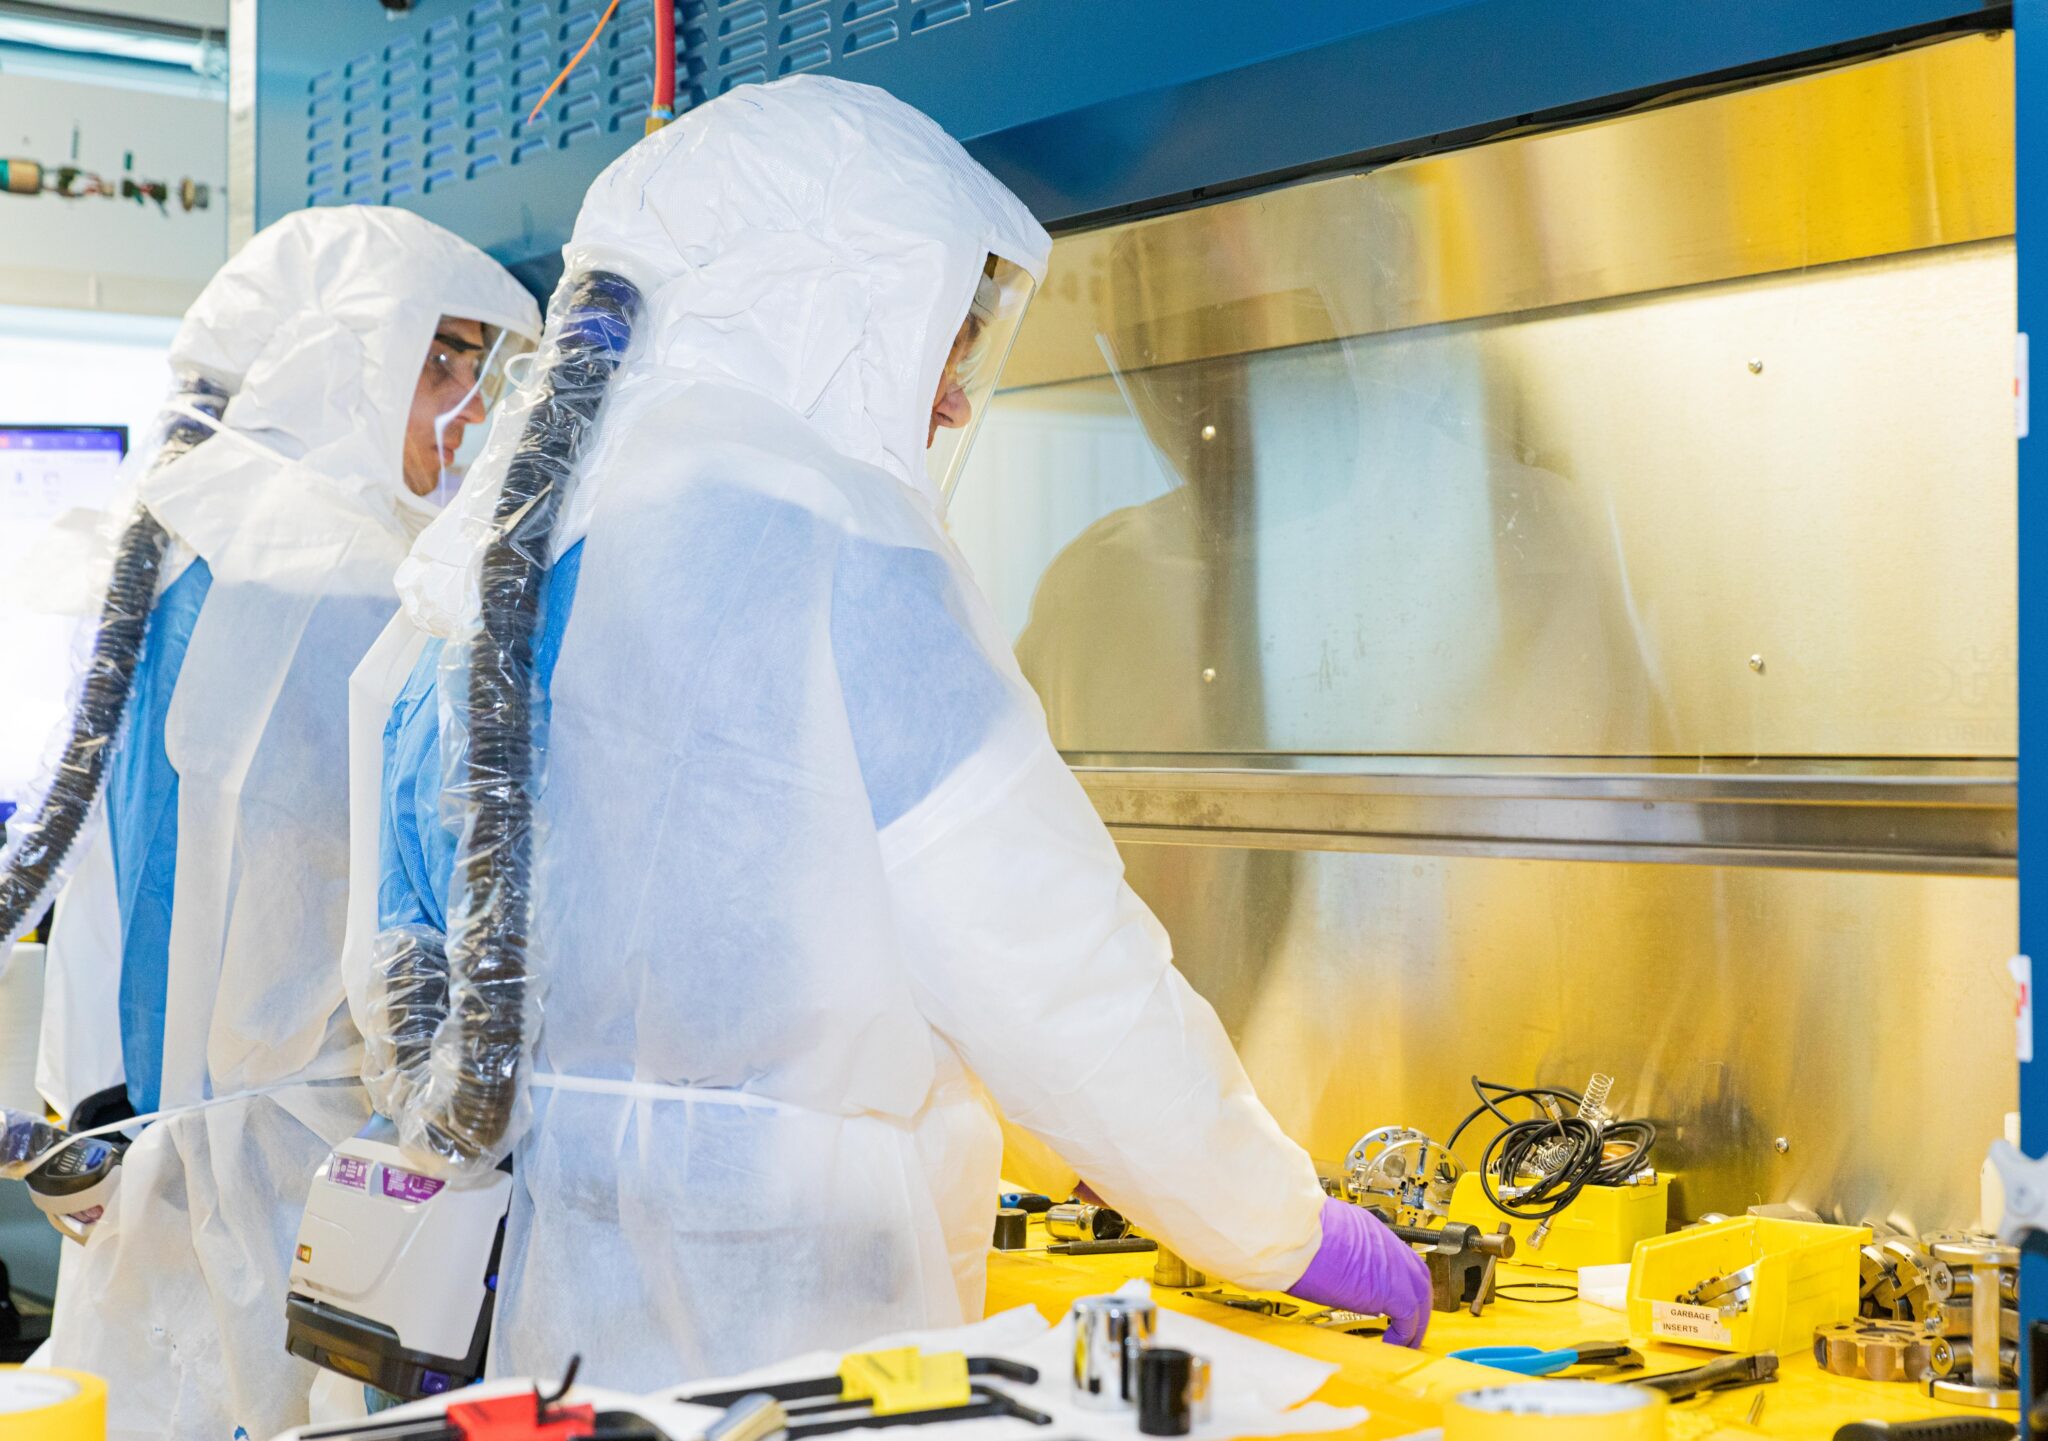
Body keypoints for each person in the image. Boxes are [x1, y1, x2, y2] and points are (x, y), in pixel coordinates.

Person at [355, 76, 1429, 1392]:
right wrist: (1281, 1226)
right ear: (833, 294)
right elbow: (1051, 968)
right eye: (946, 330)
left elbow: (402, 978)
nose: (958, 400)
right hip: (802, 1324)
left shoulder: (488, 557)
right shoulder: (834, 542)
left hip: (552, 1320)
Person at [20, 205, 540, 1441]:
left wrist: (81, 1105)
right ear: (342, 353)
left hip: (159, 1160)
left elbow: (95, 879)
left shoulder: (192, 537)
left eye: (481, 366)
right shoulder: (329, 571)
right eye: (443, 359)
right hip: (288, 1171)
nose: (467, 407)